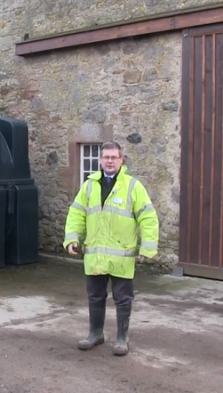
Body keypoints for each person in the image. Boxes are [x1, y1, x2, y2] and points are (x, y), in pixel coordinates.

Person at [63, 141, 159, 356]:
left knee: (123, 298)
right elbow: (76, 213)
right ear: (100, 160)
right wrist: (71, 239)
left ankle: (122, 339)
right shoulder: (89, 185)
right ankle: (95, 333)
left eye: (113, 157)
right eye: (106, 157)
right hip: (95, 254)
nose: (109, 160)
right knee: (95, 296)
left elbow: (148, 218)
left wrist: (147, 248)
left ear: (121, 159)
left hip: (121, 256)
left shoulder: (133, 186)